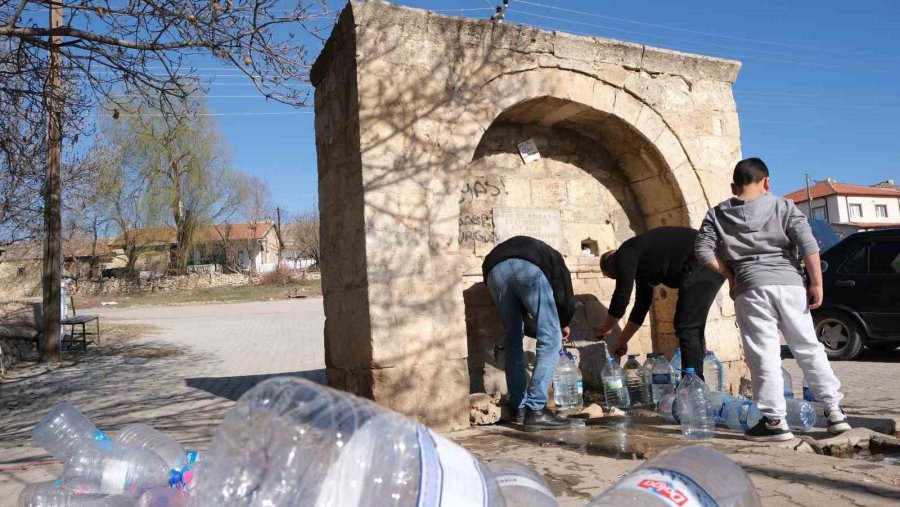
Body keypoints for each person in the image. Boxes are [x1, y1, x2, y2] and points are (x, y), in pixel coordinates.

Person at [695, 157, 851, 441]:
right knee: (808, 347)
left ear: (733, 186)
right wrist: (816, 283)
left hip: (750, 287)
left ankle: (775, 422)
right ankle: (834, 412)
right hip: (790, 284)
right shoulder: (783, 206)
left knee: (763, 354)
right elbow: (808, 243)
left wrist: (730, 274)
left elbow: (703, 251)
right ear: (766, 182)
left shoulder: (717, 214)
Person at [597, 227, 725, 377]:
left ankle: (692, 384)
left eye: (616, 276)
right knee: (691, 325)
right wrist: (622, 340)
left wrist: (607, 327)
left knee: (687, 326)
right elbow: (640, 308)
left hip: (702, 258)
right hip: (713, 260)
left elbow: (621, 297)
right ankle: (694, 383)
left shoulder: (624, 253)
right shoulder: (643, 264)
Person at [483, 236, 576, 431]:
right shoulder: (555, 258)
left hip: (494, 272)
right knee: (551, 339)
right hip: (527, 270)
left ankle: (519, 406)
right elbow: (565, 295)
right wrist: (563, 322)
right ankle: (536, 408)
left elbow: (526, 324)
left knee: (513, 337)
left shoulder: (530, 249)